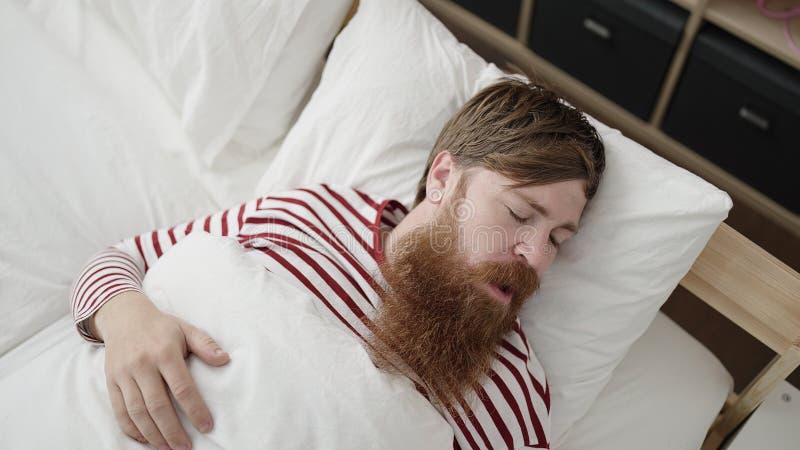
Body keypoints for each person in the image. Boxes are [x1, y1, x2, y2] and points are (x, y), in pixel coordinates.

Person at [70, 77, 605, 450]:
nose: (535, 258)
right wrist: (124, 319)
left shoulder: (511, 392)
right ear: (442, 179)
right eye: (518, 214)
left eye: (557, 239)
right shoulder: (314, 212)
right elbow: (123, 259)